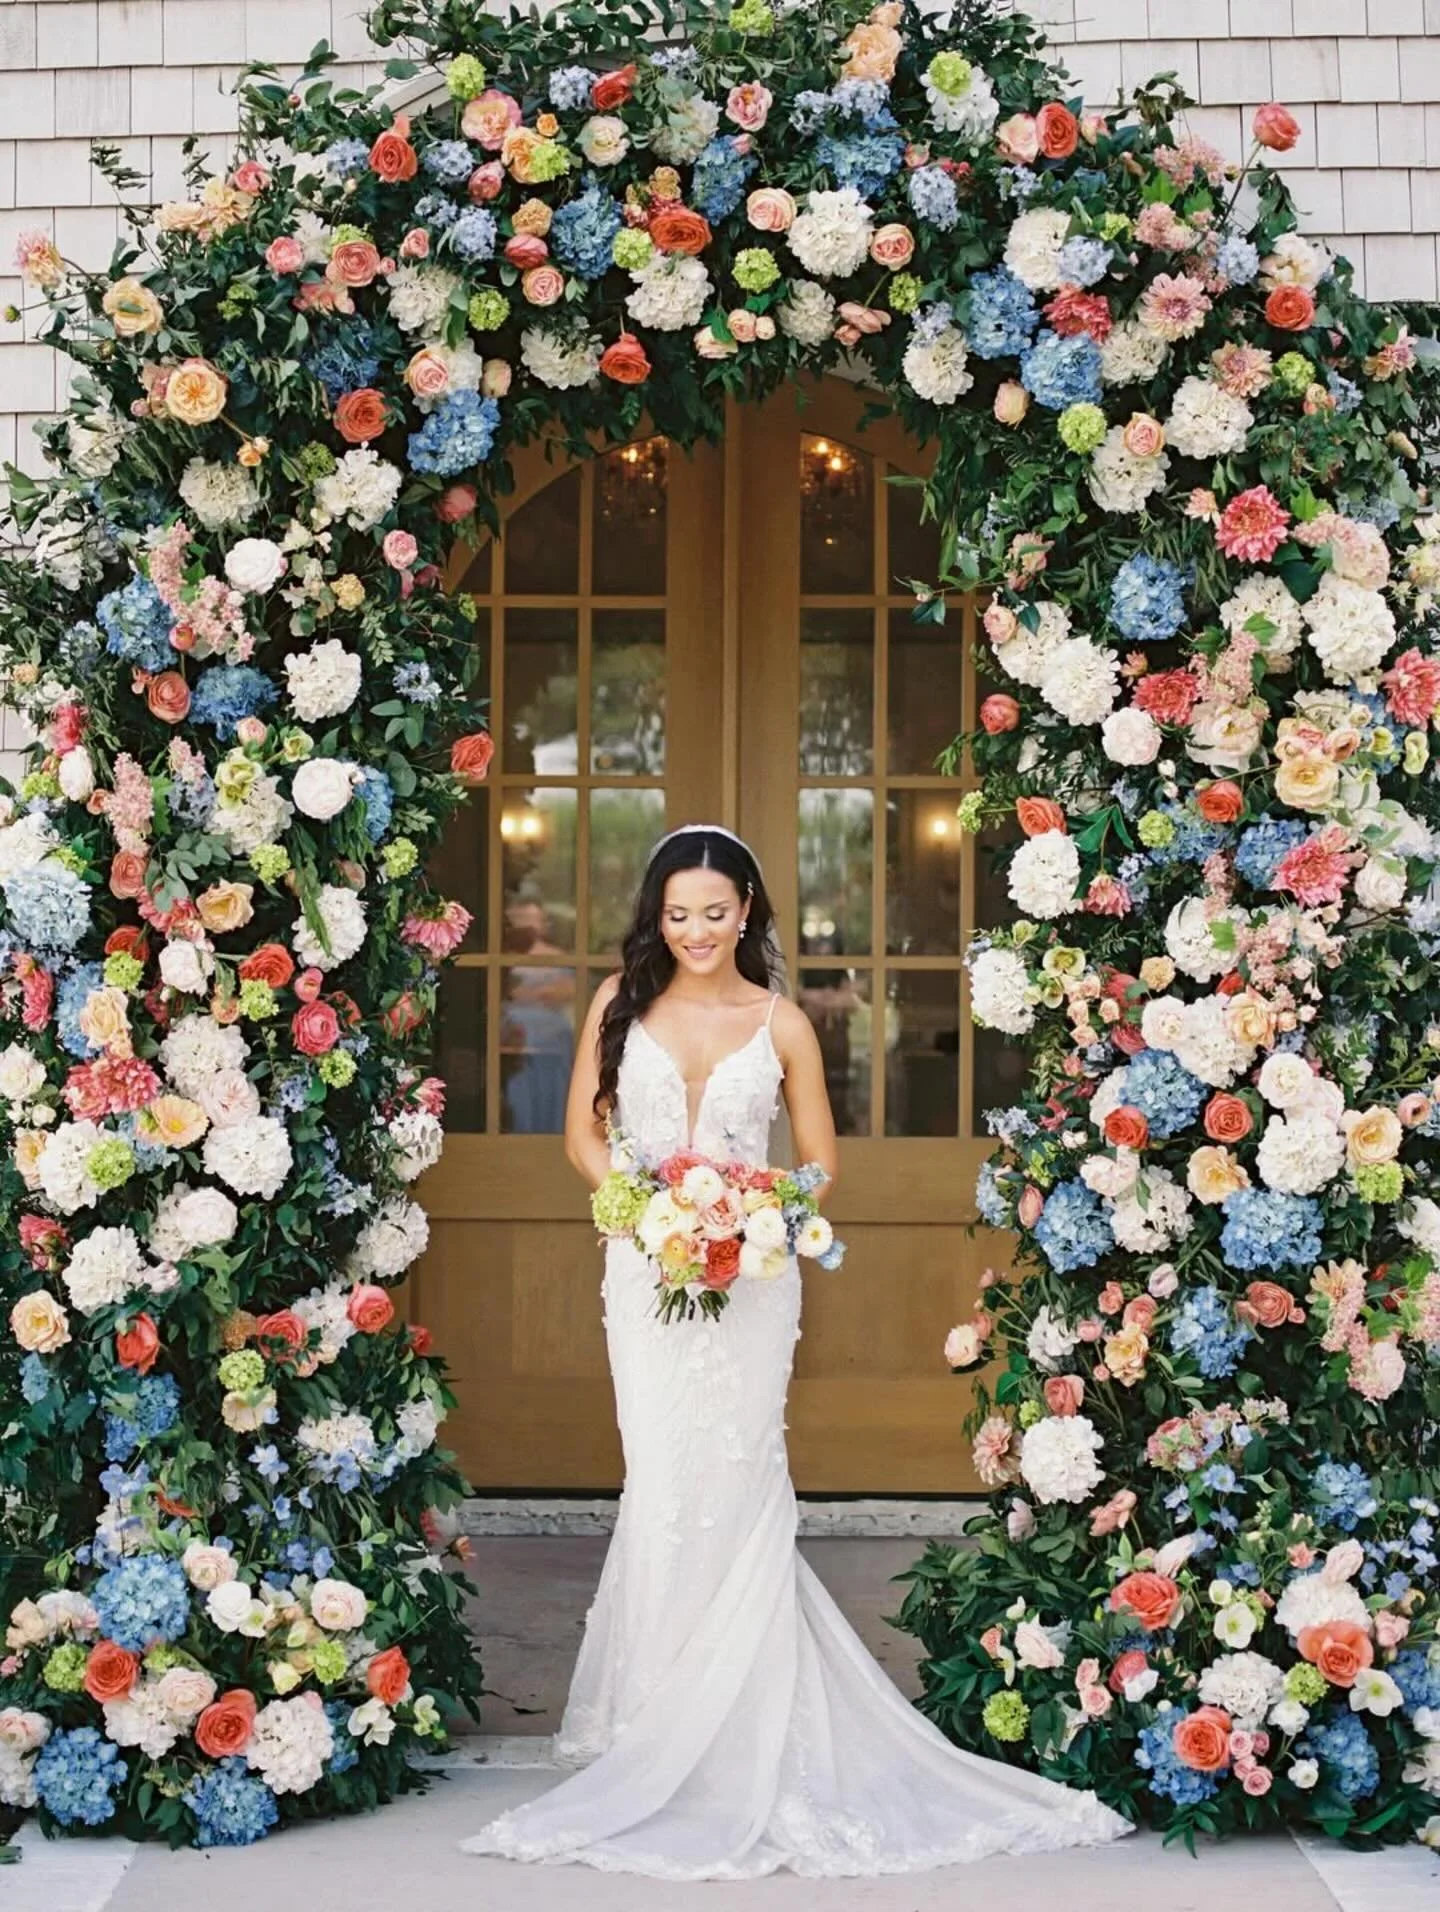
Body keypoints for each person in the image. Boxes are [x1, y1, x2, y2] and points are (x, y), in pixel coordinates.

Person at [461, 825, 1129, 1879]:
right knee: (667, 1477)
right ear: (656, 915)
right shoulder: (615, 1004)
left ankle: (746, 1735)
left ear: (749, 914)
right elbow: (584, 1137)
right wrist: (643, 1213)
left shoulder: (781, 1024)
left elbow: (820, 1162)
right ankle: (658, 1727)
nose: (695, 931)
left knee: (737, 1481)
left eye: (715, 912)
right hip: (642, 1272)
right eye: (678, 913)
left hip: (751, 1280)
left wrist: (749, 1214)